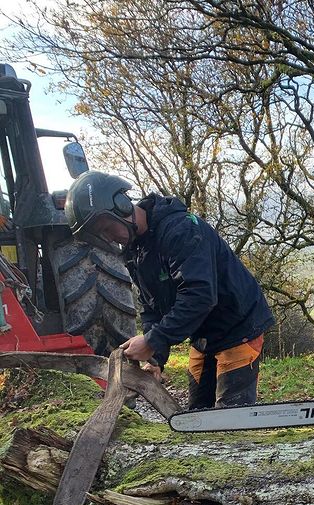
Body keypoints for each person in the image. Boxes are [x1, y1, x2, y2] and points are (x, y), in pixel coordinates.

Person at [64, 170, 275, 410]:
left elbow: (199, 295)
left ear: (120, 206)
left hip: (238, 326)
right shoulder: (136, 252)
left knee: (230, 415)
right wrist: (155, 357)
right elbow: (152, 308)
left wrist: (154, 340)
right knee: (197, 413)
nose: (110, 237)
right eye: (101, 234)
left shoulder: (180, 230)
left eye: (107, 228)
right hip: (203, 335)